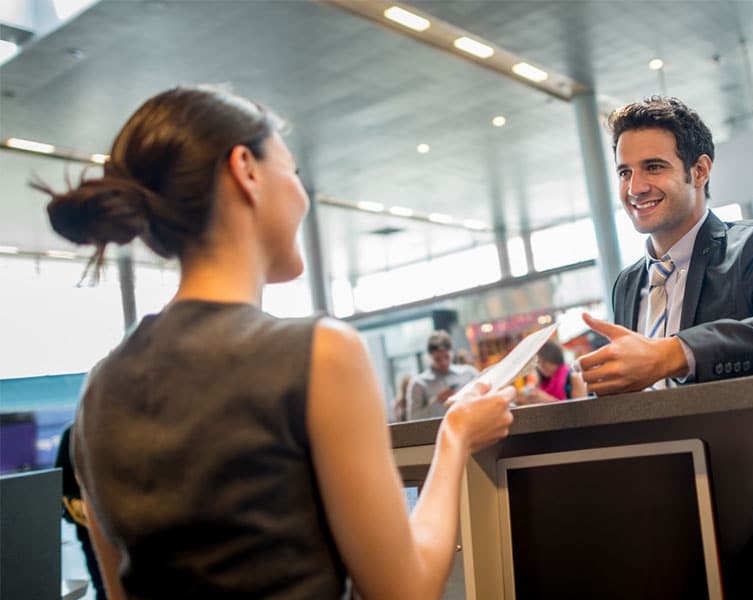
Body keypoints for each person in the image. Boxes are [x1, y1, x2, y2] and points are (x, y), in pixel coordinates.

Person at [34, 86, 514, 600]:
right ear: (246, 169)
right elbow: (404, 590)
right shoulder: (319, 353)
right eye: (295, 173)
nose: (302, 197)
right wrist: (455, 438)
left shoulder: (100, 390)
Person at [578, 96, 753, 394]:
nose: (635, 188)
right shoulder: (628, 283)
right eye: (624, 172)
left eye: (653, 167)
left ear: (700, 171)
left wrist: (673, 354)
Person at [55, 424, 107, 600]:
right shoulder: (74, 433)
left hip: (129, 532)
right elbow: (62, 485)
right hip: (92, 532)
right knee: (104, 588)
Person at [406, 331, 479, 421]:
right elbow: (413, 420)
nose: (443, 362)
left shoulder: (469, 374)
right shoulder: (419, 384)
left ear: (452, 353)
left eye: (446, 357)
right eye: (437, 359)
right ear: (429, 357)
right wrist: (437, 401)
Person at [516, 340, 588, 403]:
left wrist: (547, 399)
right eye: (538, 363)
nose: (541, 367)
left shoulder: (573, 378)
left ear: (554, 358)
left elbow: (581, 411)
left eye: (544, 362)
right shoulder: (542, 380)